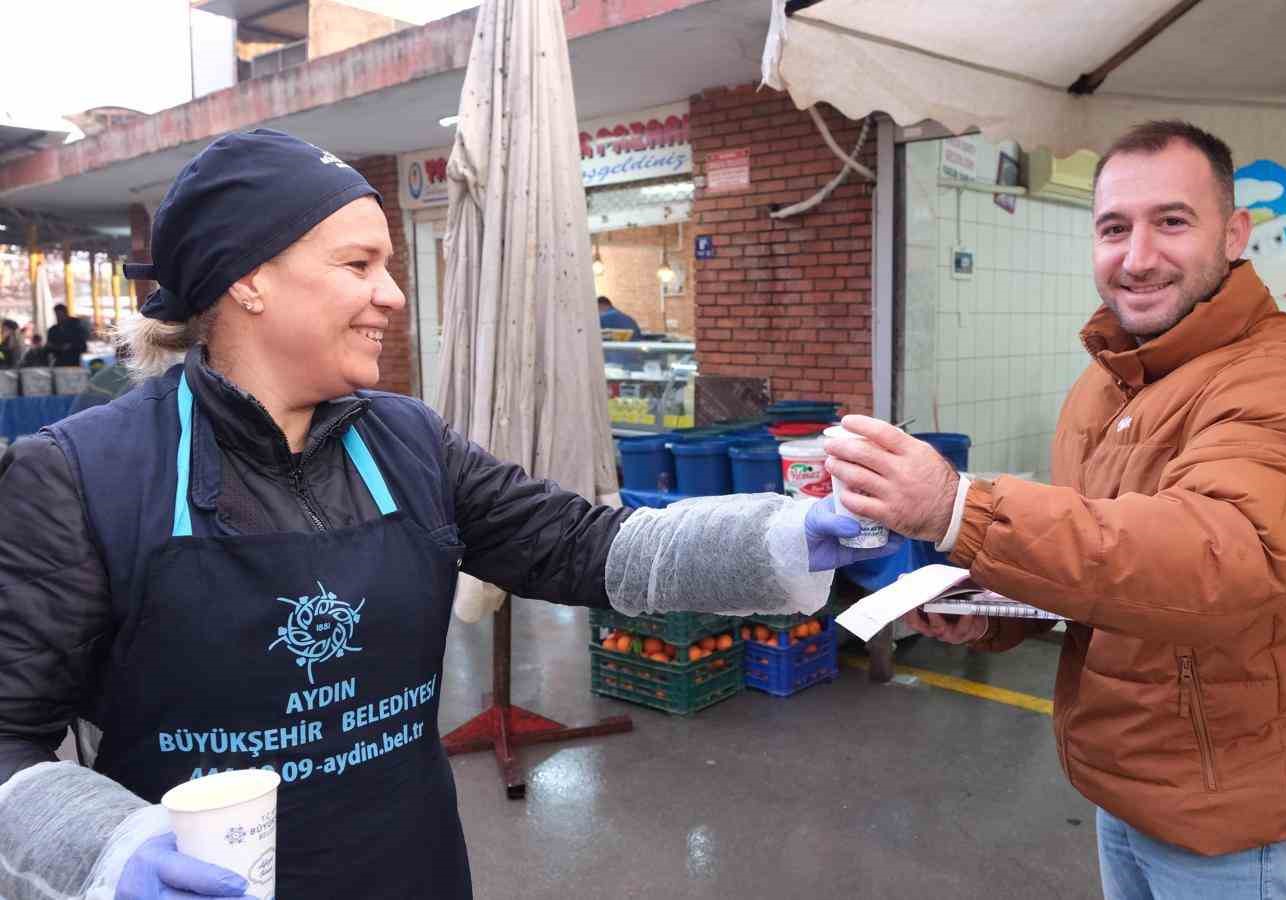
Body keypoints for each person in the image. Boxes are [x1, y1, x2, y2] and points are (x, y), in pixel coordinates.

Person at [0, 129, 897, 900]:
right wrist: (110, 851)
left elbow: (585, 546)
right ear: (247, 282)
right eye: (359, 265)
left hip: (412, 869)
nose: (392, 294)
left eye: (388, 264)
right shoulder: (79, 477)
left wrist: (783, 531)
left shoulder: (410, 442)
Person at [823, 121, 1286, 899]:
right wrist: (993, 611)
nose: (1139, 255)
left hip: (1233, 811)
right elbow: (1113, 569)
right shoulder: (1107, 383)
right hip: (1123, 780)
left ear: (1234, 234)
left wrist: (960, 510)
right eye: (1115, 228)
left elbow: (1226, 557)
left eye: (1172, 222)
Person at [46, 303, 89, 368]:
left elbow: (82, 342)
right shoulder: (53, 330)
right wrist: (53, 346)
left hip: (75, 360)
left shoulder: (76, 325)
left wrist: (71, 346)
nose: (59, 317)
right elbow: (49, 346)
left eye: (60, 315)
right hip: (60, 362)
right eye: (57, 315)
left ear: (65, 314)